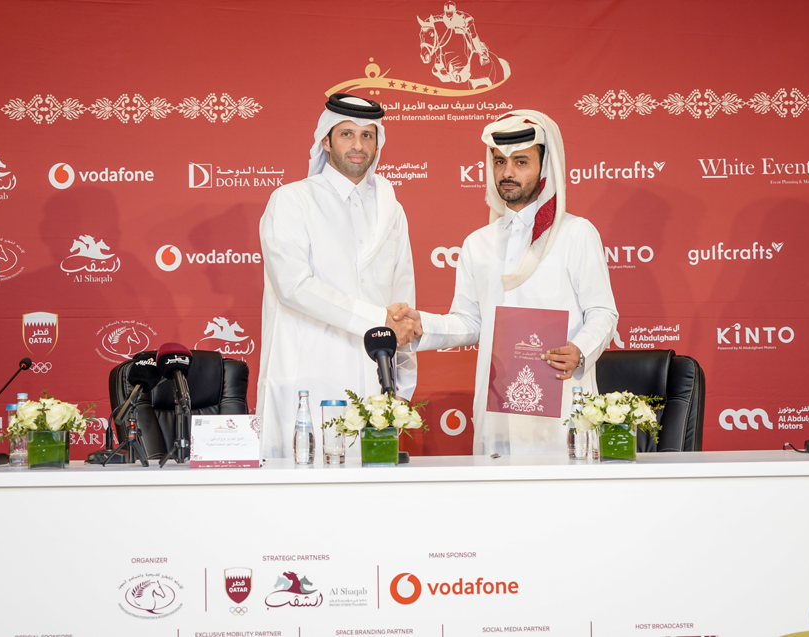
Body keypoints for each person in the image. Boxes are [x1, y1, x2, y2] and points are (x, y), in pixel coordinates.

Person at [393, 110, 618, 455]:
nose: (507, 173)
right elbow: (470, 322)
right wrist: (422, 324)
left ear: (544, 168)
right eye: (499, 162)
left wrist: (580, 350)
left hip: (561, 398)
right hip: (497, 400)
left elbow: (603, 312)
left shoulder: (576, 233)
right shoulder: (477, 243)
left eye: (521, 162)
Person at [257, 94, 418, 458]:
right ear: (325, 141)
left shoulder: (391, 209)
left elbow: (402, 294)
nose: (358, 146)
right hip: (310, 372)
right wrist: (380, 321)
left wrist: (401, 379)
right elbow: (294, 287)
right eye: (346, 134)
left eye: (367, 135)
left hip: (373, 375)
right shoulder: (292, 200)